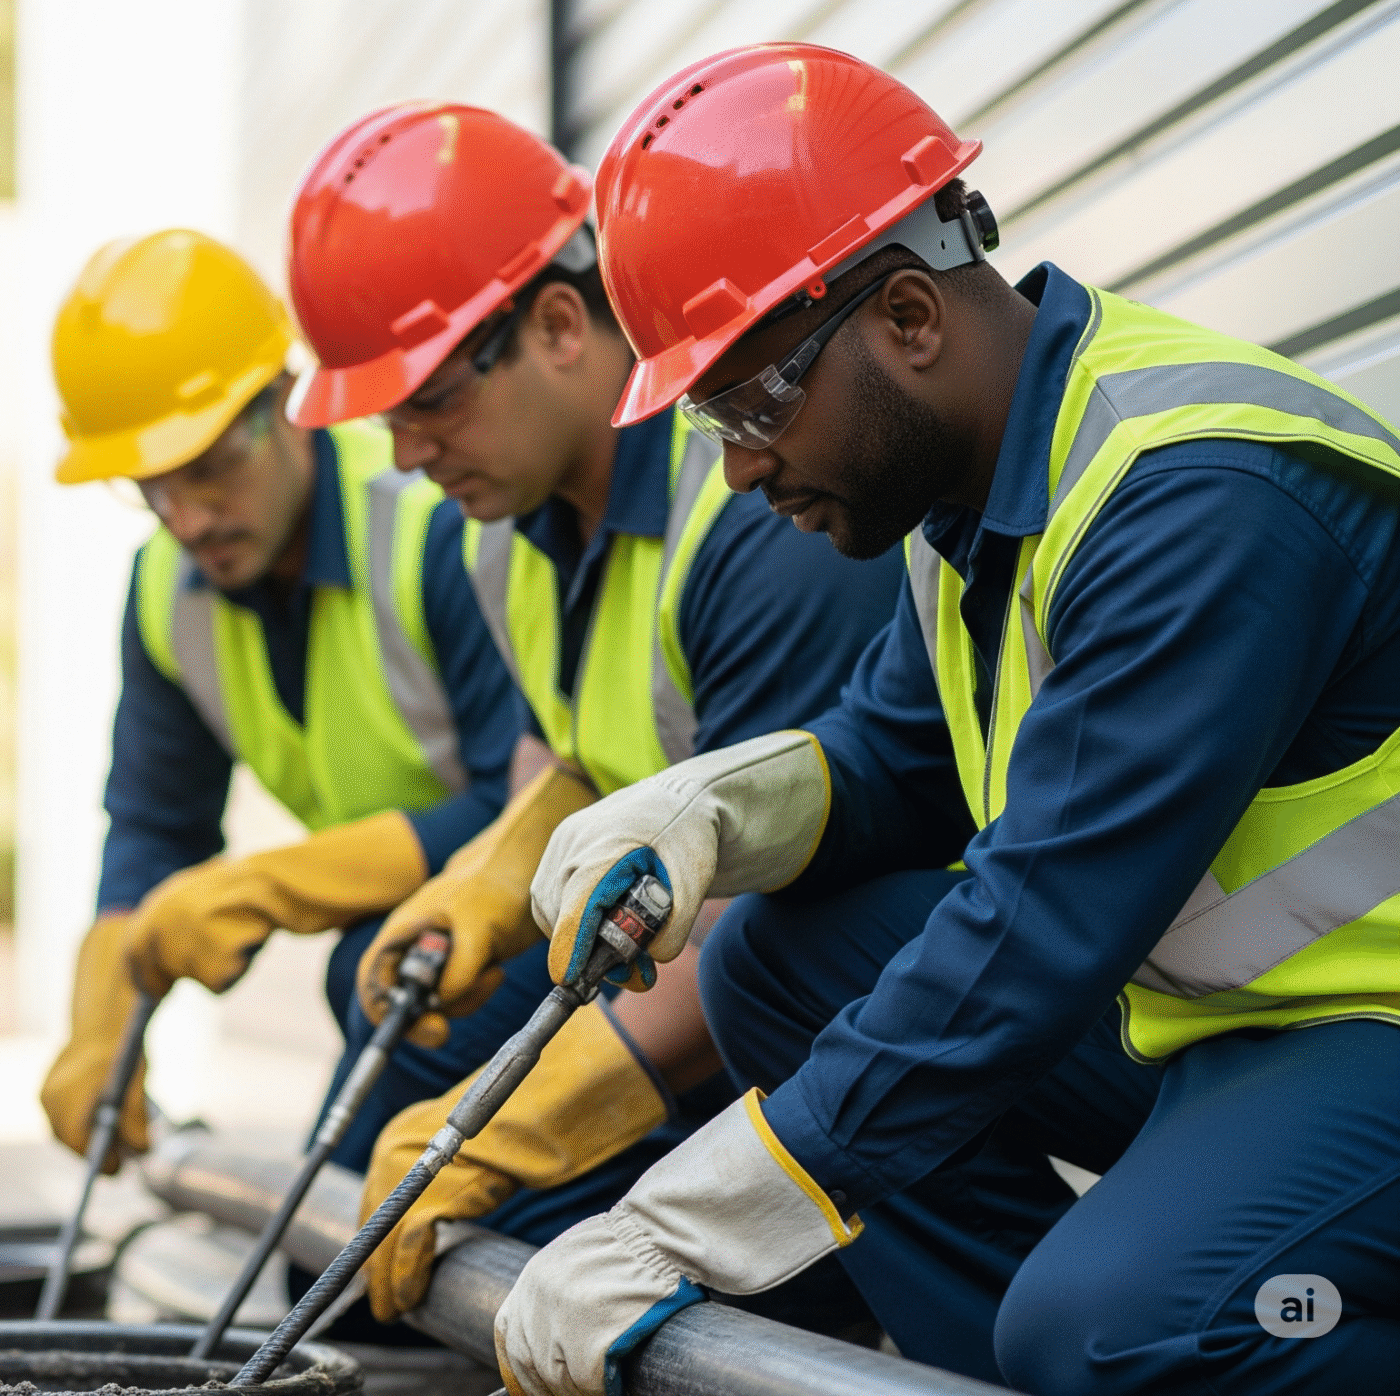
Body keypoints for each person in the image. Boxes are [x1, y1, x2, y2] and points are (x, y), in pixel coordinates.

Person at [494, 43, 1400, 1396]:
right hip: (1230, 1029)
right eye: (706, 419)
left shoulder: (1198, 497)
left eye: (750, 402)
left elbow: (1037, 927)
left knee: (1113, 1332)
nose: (737, 468)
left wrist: (682, 1225)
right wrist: (711, 817)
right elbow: (892, 759)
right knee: (777, 966)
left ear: (910, 318)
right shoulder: (968, 503)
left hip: (1370, 1031)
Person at [278, 100, 900, 1328]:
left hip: (791, 992)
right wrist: (485, 880)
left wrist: (508, 1133)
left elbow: (763, 912)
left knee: (496, 1228)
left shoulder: (753, 515)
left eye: (428, 402)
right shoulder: (499, 531)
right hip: (661, 936)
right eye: (385, 419)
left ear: (560, 326)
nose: (403, 455)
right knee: (388, 1039)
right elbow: (563, 753)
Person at [36, 229, 520, 1176]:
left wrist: (275, 887)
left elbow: (528, 805)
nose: (188, 519)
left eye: (209, 466)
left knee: (361, 991)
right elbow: (156, 824)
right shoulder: (164, 593)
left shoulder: (434, 529)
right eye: (151, 488)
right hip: (406, 955)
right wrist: (104, 1018)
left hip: (535, 939)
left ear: (289, 403)